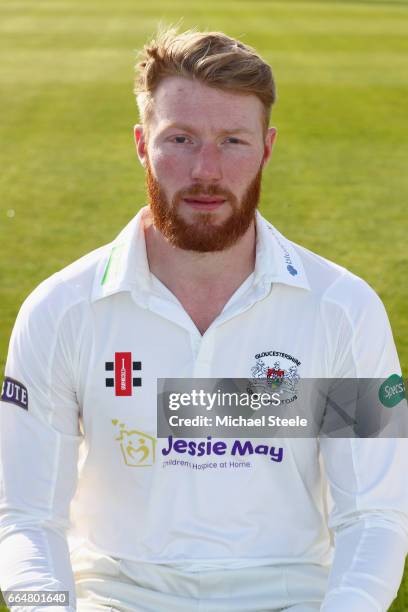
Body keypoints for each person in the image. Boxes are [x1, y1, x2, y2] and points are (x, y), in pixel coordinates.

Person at [0, 27, 407, 612]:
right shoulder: (60, 310)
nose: (206, 170)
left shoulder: (345, 309)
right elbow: (27, 517)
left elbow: (376, 515)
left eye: (233, 141)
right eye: (181, 138)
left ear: (267, 147)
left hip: (287, 596)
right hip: (116, 597)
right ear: (142, 143)